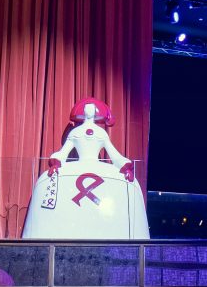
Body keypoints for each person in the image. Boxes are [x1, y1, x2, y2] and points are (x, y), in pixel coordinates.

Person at [21, 97, 150, 240]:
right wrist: (57, 161)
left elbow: (113, 153)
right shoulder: (76, 132)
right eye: (87, 107)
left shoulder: (101, 133)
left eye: (92, 108)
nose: (89, 110)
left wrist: (124, 164)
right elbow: (64, 151)